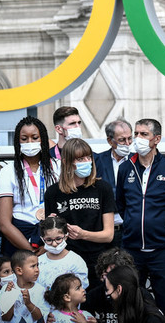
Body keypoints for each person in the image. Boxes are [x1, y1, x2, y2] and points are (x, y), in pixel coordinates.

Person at [116, 119, 165, 322]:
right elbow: (121, 203)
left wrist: (164, 227)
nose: (137, 138)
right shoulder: (125, 168)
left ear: (156, 139)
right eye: (136, 133)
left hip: (163, 251)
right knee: (130, 306)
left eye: (143, 134)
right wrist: (133, 223)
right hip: (132, 251)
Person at [44, 139, 115, 287]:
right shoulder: (53, 192)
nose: (86, 162)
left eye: (88, 157)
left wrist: (83, 234)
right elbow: (51, 235)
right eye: (80, 159)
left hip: (98, 260)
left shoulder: (102, 188)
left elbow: (108, 235)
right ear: (66, 162)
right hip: (67, 261)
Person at [0, 116, 56, 256]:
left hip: (52, 239)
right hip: (18, 238)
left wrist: (48, 246)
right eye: (24, 139)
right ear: (18, 142)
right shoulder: (8, 171)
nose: (30, 142)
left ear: (43, 139)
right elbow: (4, 224)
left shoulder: (57, 168)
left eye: (35, 137)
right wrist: (31, 251)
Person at [94, 119, 133, 247]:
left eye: (130, 139)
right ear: (110, 141)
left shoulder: (137, 161)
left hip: (131, 229)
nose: (127, 143)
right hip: (104, 230)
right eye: (122, 140)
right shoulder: (97, 161)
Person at [35, 217, 89, 300]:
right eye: (49, 240)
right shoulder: (38, 262)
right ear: (42, 239)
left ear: (66, 236)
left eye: (58, 239)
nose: (54, 244)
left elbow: (81, 288)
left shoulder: (75, 261)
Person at [0, 250, 46, 323]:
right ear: (19, 270)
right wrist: (9, 298)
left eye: (37, 265)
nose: (37, 270)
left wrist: (29, 304)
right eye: (33, 266)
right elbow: (5, 318)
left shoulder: (41, 290)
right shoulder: (7, 289)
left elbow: (40, 318)